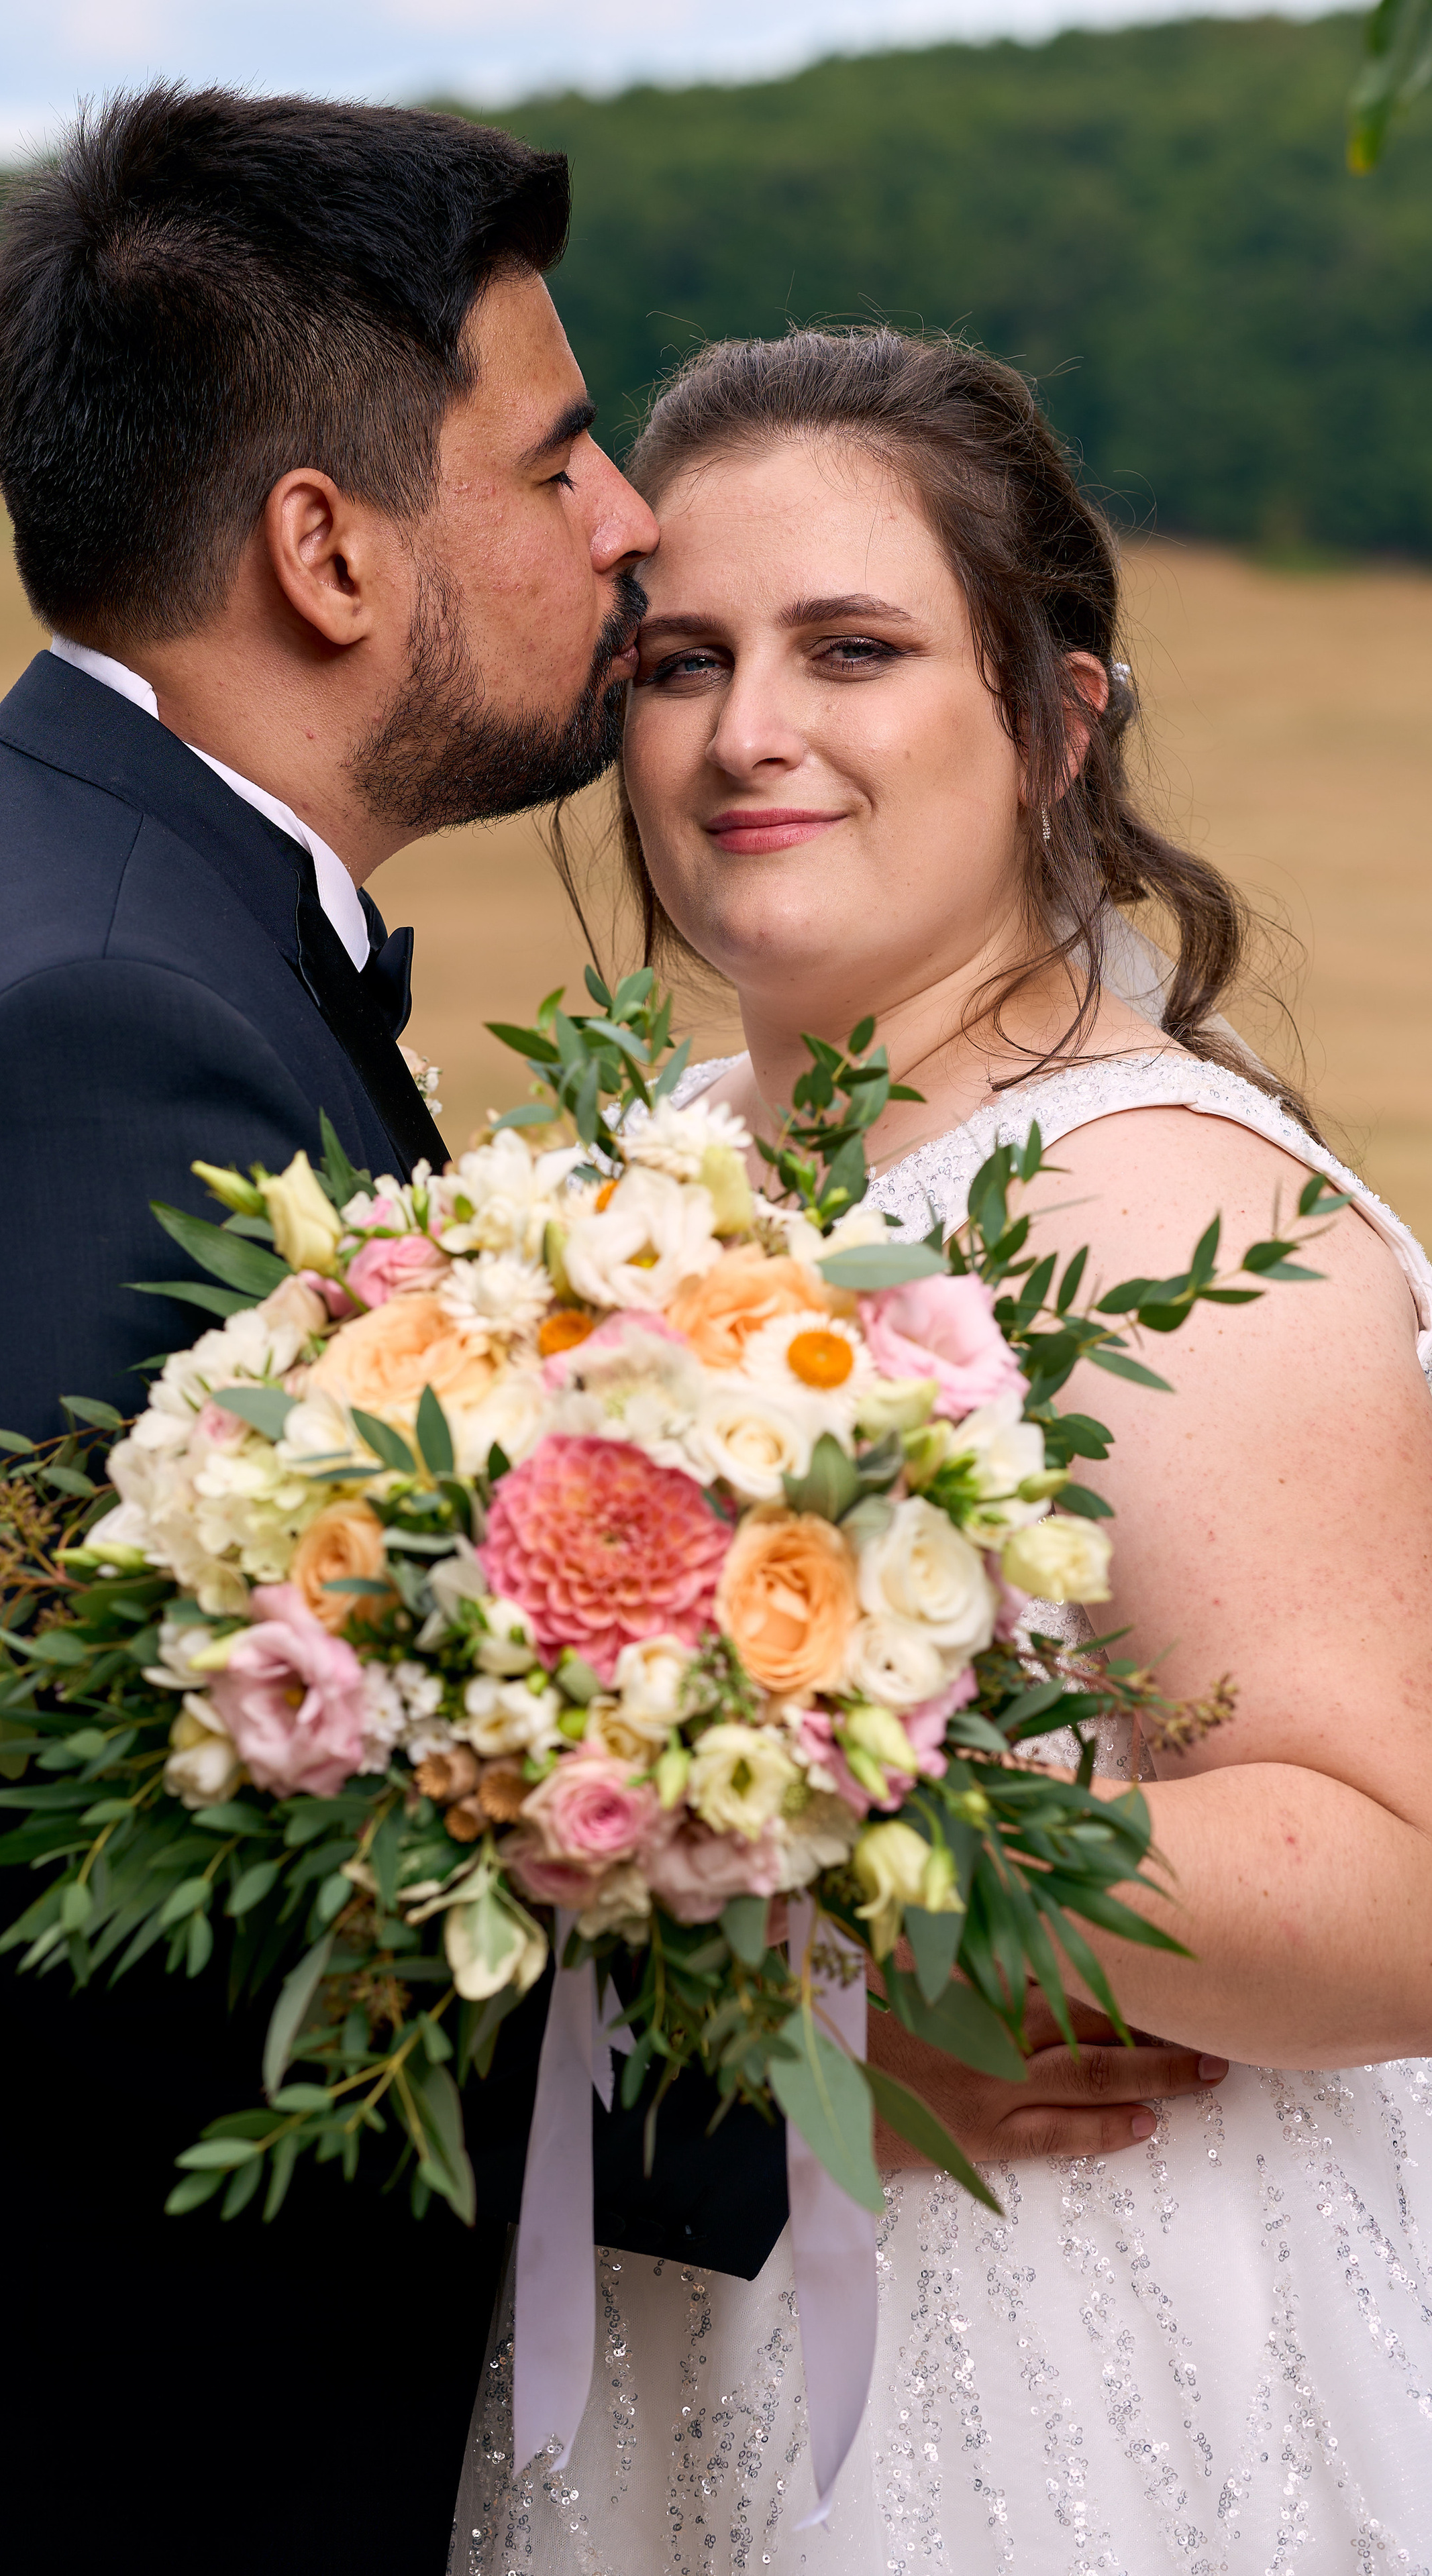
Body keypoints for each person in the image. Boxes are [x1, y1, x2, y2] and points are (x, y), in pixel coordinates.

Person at [0, 85, 671, 2575]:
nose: (633, 521)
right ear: (327, 553)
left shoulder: (48, 887)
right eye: (559, 460)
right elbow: (153, 1944)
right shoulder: (86, 1028)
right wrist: (856, 2063)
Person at [451, 328, 1432, 2571]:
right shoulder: (627, 1179)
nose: (747, 732)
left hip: (1082, 2349)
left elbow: (1392, 1899)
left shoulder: (1172, 1200)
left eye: (855, 649)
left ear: (1056, 720)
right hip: (686, 2309)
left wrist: (833, 1797)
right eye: (680, 658)